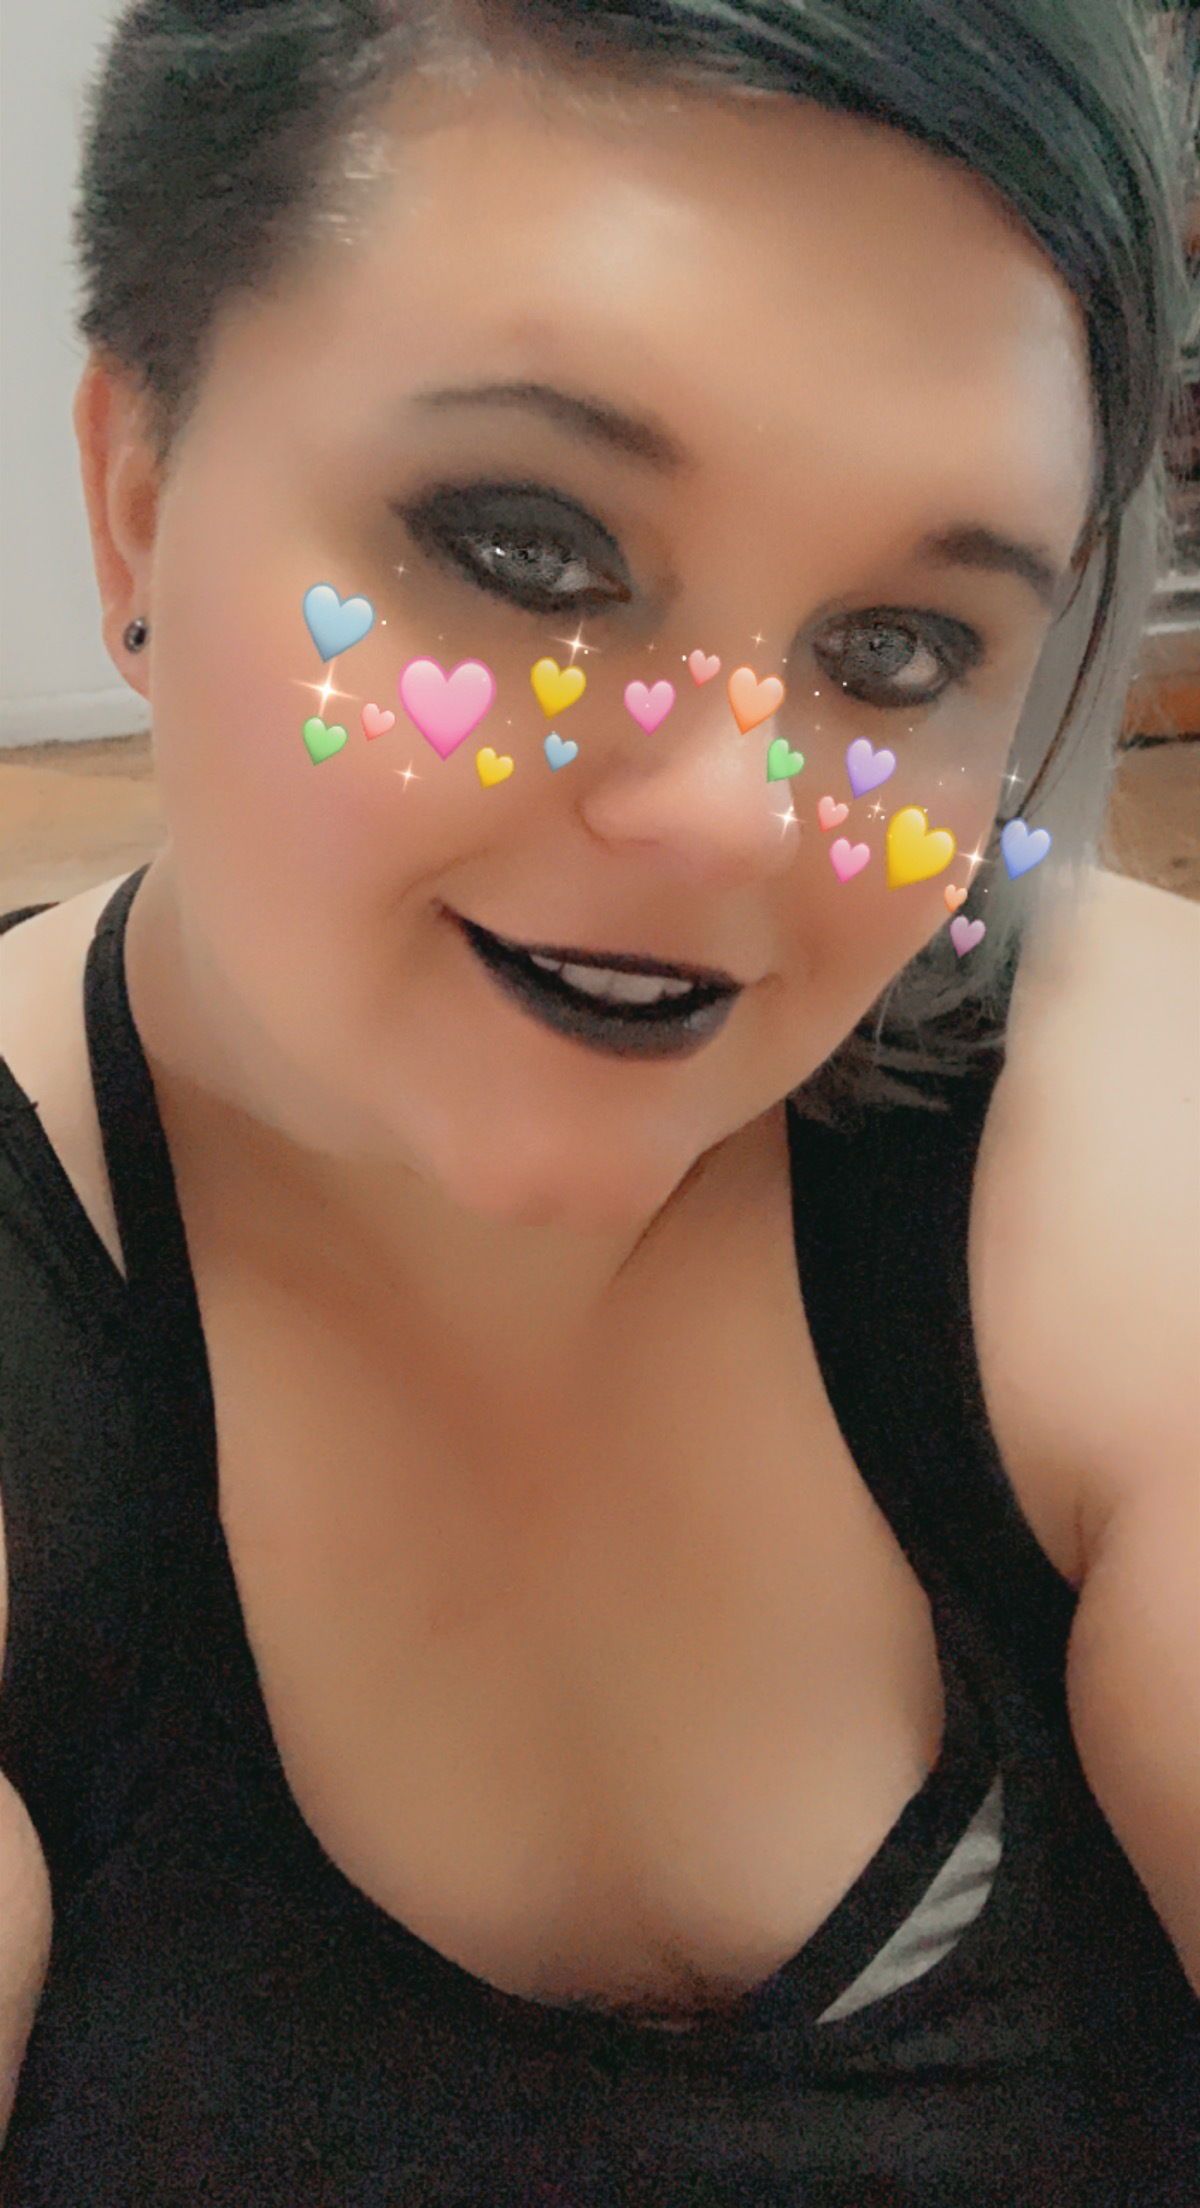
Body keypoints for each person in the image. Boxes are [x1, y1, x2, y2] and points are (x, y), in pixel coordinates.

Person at [0, 0, 1198, 2198]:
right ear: (137, 499)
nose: (728, 815)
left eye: (899, 650)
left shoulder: (1123, 1155)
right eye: (529, 547)